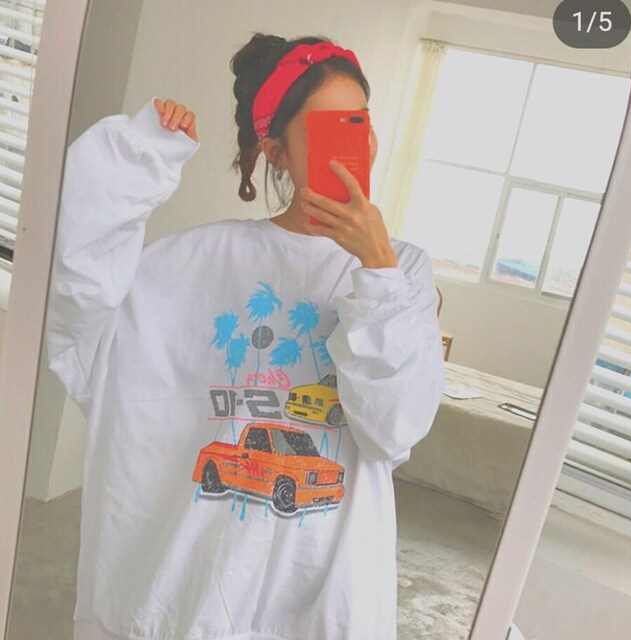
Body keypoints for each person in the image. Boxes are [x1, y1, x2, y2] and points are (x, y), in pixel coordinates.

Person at [45, 32, 445, 640]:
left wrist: (378, 270)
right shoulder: (193, 261)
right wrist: (133, 161)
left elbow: (394, 428)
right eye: (330, 128)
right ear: (276, 151)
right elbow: (76, 309)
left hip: (320, 596)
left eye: (361, 121)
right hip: (189, 593)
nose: (355, 144)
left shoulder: (401, 269)